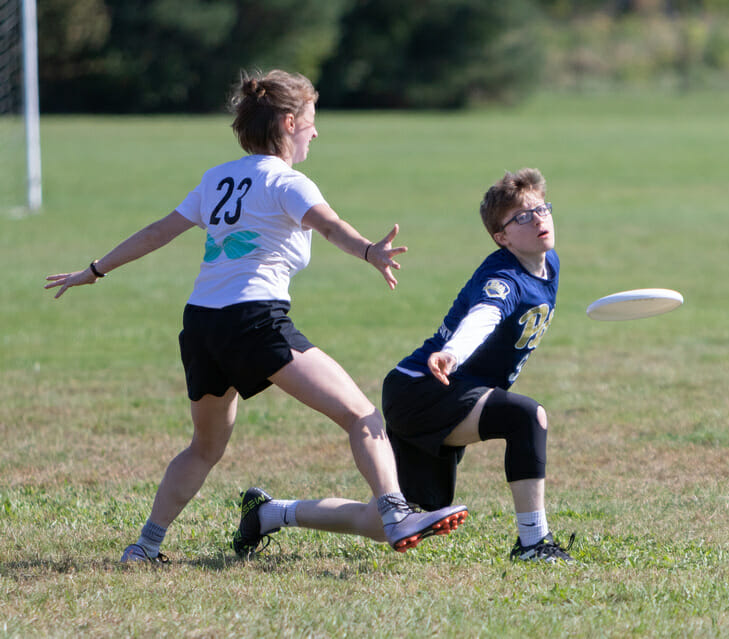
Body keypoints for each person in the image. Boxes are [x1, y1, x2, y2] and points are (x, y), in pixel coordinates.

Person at [44, 69, 467, 563]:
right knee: (362, 415)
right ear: (288, 123)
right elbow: (329, 227)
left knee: (204, 447)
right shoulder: (288, 182)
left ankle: (145, 546)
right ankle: (396, 513)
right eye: (310, 121)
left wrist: (96, 269)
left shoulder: (217, 177)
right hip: (253, 321)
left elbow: (159, 231)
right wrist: (370, 251)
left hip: (202, 325)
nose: (315, 131)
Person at [240, 167, 574, 563]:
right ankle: (533, 544)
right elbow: (484, 315)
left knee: (385, 522)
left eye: (542, 210)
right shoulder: (503, 277)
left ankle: (267, 513)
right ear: (501, 237)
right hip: (421, 389)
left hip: (448, 392)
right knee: (527, 417)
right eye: (522, 216)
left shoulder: (548, 262)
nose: (538, 219)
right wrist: (453, 353)